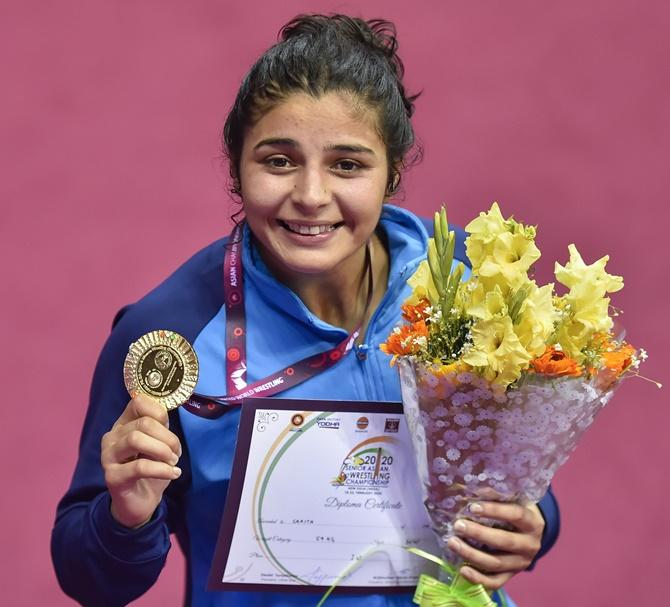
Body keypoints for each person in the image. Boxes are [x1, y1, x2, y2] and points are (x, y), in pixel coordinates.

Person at [51, 14, 559, 607]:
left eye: (348, 164)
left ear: (392, 173)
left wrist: (534, 520)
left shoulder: (469, 283)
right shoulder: (169, 336)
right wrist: (124, 519)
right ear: (237, 168)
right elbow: (86, 577)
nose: (312, 195)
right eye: (279, 160)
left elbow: (517, 485)